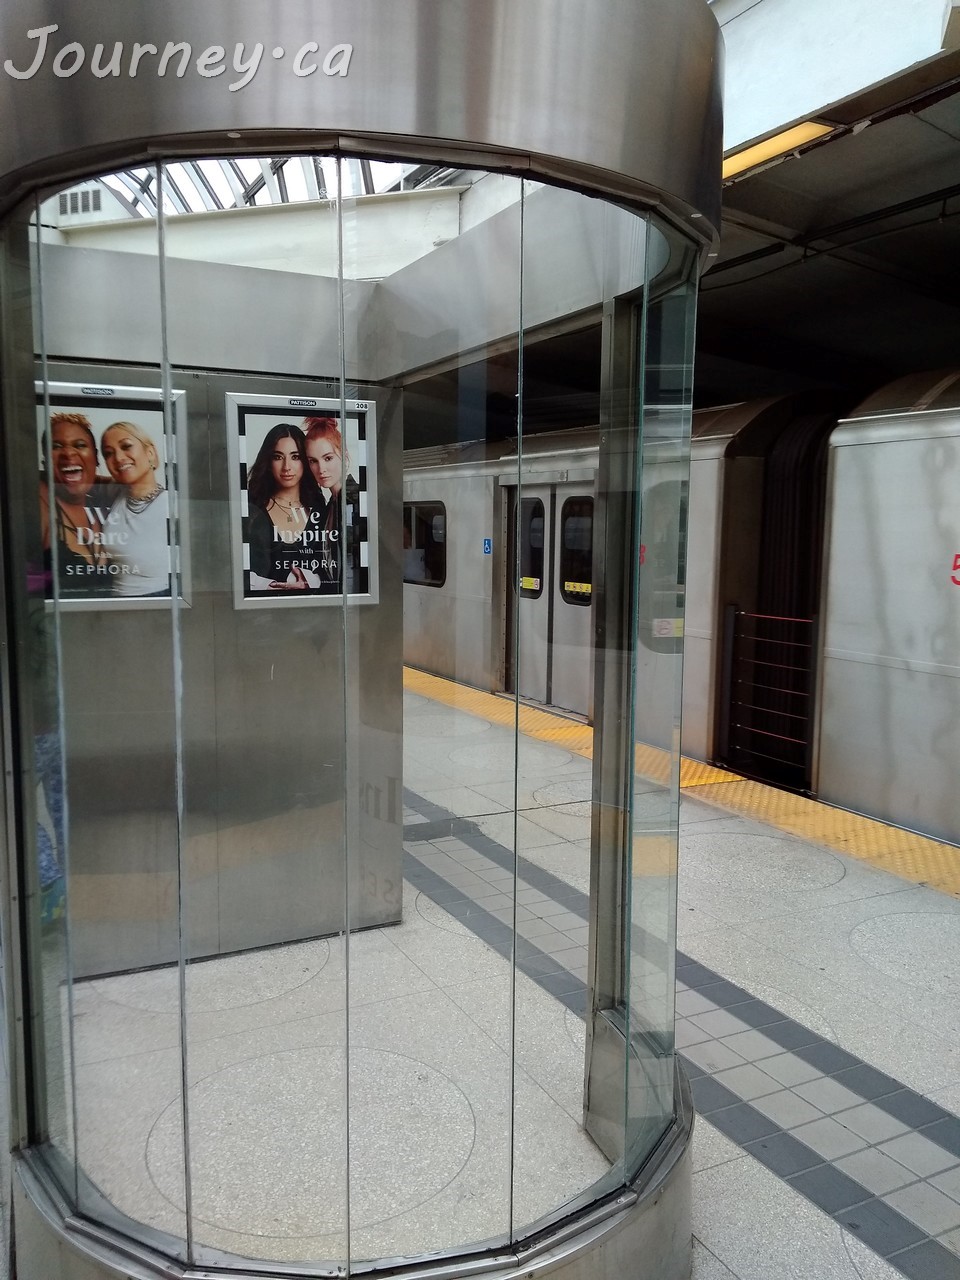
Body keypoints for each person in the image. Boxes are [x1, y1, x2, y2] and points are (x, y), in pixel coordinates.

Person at [40, 412, 118, 599]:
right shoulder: (39, 504)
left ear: (96, 457)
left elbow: (134, 485)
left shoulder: (103, 501)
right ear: (45, 462)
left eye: (80, 445)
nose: (68, 453)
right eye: (56, 447)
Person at [246, 423, 325, 592]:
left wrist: (310, 582)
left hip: (313, 610)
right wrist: (269, 586)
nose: (286, 467)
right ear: (268, 461)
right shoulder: (251, 508)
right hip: (259, 611)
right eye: (278, 457)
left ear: (305, 461)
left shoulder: (319, 509)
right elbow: (231, 569)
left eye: (295, 457)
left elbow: (332, 569)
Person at [100, 421, 171, 597]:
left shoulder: (172, 504)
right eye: (109, 453)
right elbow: (67, 479)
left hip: (158, 603)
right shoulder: (113, 494)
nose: (118, 458)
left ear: (150, 452)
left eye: (126, 446)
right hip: (114, 605)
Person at [303, 417, 361, 593]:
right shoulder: (329, 507)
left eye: (328, 458)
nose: (321, 469)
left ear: (343, 456)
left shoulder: (357, 501)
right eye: (313, 461)